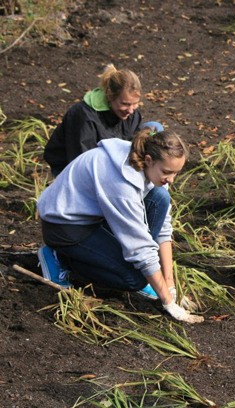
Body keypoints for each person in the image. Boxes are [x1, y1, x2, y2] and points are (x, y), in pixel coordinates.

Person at [36, 129, 203, 324]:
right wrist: (168, 302)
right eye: (167, 172)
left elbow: (164, 229)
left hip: (94, 216)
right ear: (149, 160)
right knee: (134, 279)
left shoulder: (152, 166)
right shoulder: (121, 184)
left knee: (160, 198)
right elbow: (139, 247)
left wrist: (169, 284)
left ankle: (144, 272)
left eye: (176, 173)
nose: (171, 179)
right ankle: (61, 257)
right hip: (65, 227)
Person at [44, 63, 163, 177]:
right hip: (76, 168)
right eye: (125, 104)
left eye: (135, 104)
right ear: (110, 97)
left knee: (155, 128)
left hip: (112, 158)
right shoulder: (84, 116)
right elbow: (83, 164)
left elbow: (134, 139)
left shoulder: (130, 112)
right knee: (159, 195)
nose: (131, 110)